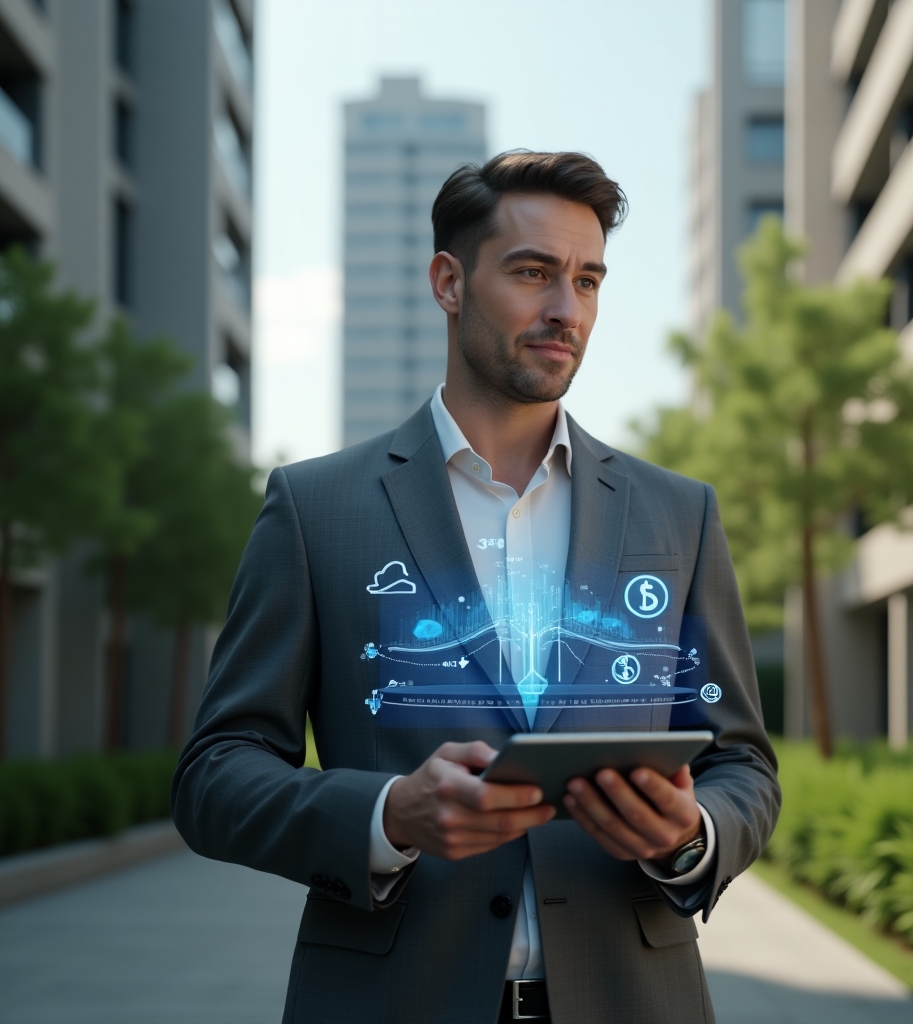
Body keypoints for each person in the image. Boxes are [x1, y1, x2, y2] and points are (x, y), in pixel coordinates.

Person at [172, 150, 780, 1024]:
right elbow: (214, 777)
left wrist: (691, 836)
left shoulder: (679, 514)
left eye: (588, 280)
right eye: (533, 273)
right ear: (448, 283)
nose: (566, 308)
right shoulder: (314, 509)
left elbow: (742, 763)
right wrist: (388, 815)